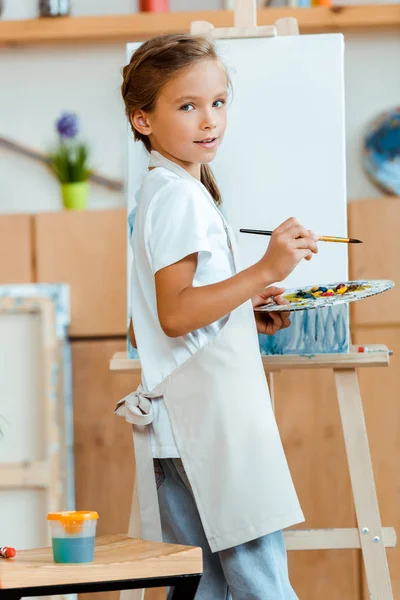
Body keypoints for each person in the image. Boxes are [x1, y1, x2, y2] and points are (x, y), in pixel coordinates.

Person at [119, 33, 318, 599]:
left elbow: (148, 325)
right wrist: (264, 270)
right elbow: (177, 315)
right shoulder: (181, 197)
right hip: (208, 428)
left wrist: (239, 311)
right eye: (187, 106)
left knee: (201, 588)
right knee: (262, 587)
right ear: (143, 119)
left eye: (219, 102)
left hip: (180, 432)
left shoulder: (163, 191)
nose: (210, 121)